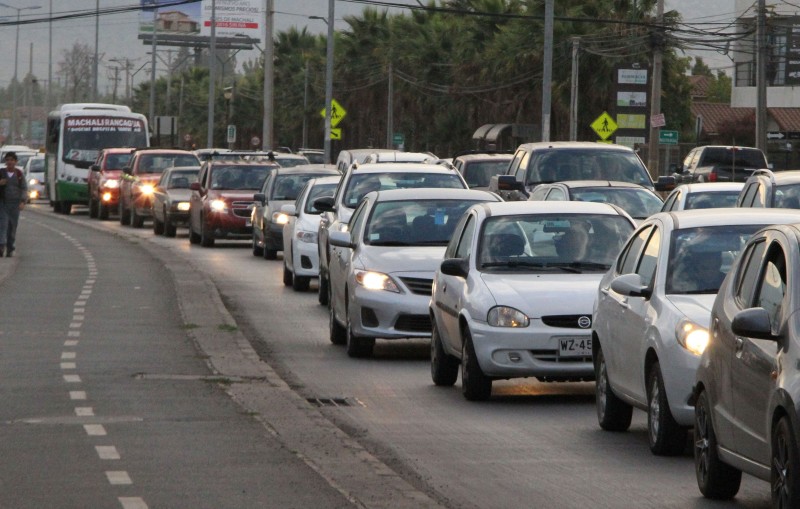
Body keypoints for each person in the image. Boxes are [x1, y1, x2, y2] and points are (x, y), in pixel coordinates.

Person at [0, 152, 27, 257]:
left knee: (12, 226)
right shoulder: (1, 173)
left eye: (12, 160)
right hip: (3, 203)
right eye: (7, 160)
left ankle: (10, 247)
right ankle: (1, 246)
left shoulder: (19, 174)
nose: (9, 162)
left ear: (15, 162)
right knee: (3, 225)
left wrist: (22, 201)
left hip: (15, 204)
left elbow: (24, 188)